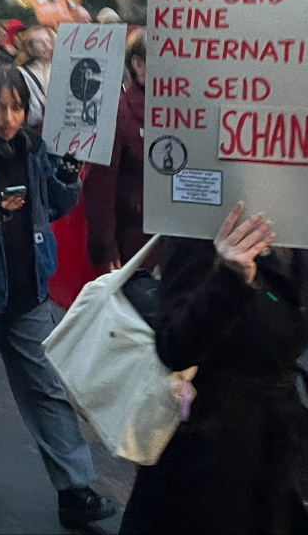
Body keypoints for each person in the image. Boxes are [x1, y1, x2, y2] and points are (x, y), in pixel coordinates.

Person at [0, 68, 116, 529]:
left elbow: (53, 203)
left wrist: (69, 177)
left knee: (48, 391)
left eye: (17, 108)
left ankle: (74, 489)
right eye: (0, 108)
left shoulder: (34, 148)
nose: (9, 118)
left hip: (29, 294)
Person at [120, 206, 307, 534]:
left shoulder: (297, 230)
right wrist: (230, 278)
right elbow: (174, 346)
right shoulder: (201, 226)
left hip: (277, 451)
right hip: (207, 455)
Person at [84, 31, 150, 272]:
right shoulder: (117, 112)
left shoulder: (179, 108)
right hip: (132, 243)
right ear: (138, 64)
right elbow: (101, 186)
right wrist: (105, 247)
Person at [14, 26, 55, 131]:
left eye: (48, 41)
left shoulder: (60, 67)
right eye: (40, 42)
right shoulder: (21, 73)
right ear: (29, 48)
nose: (47, 46)